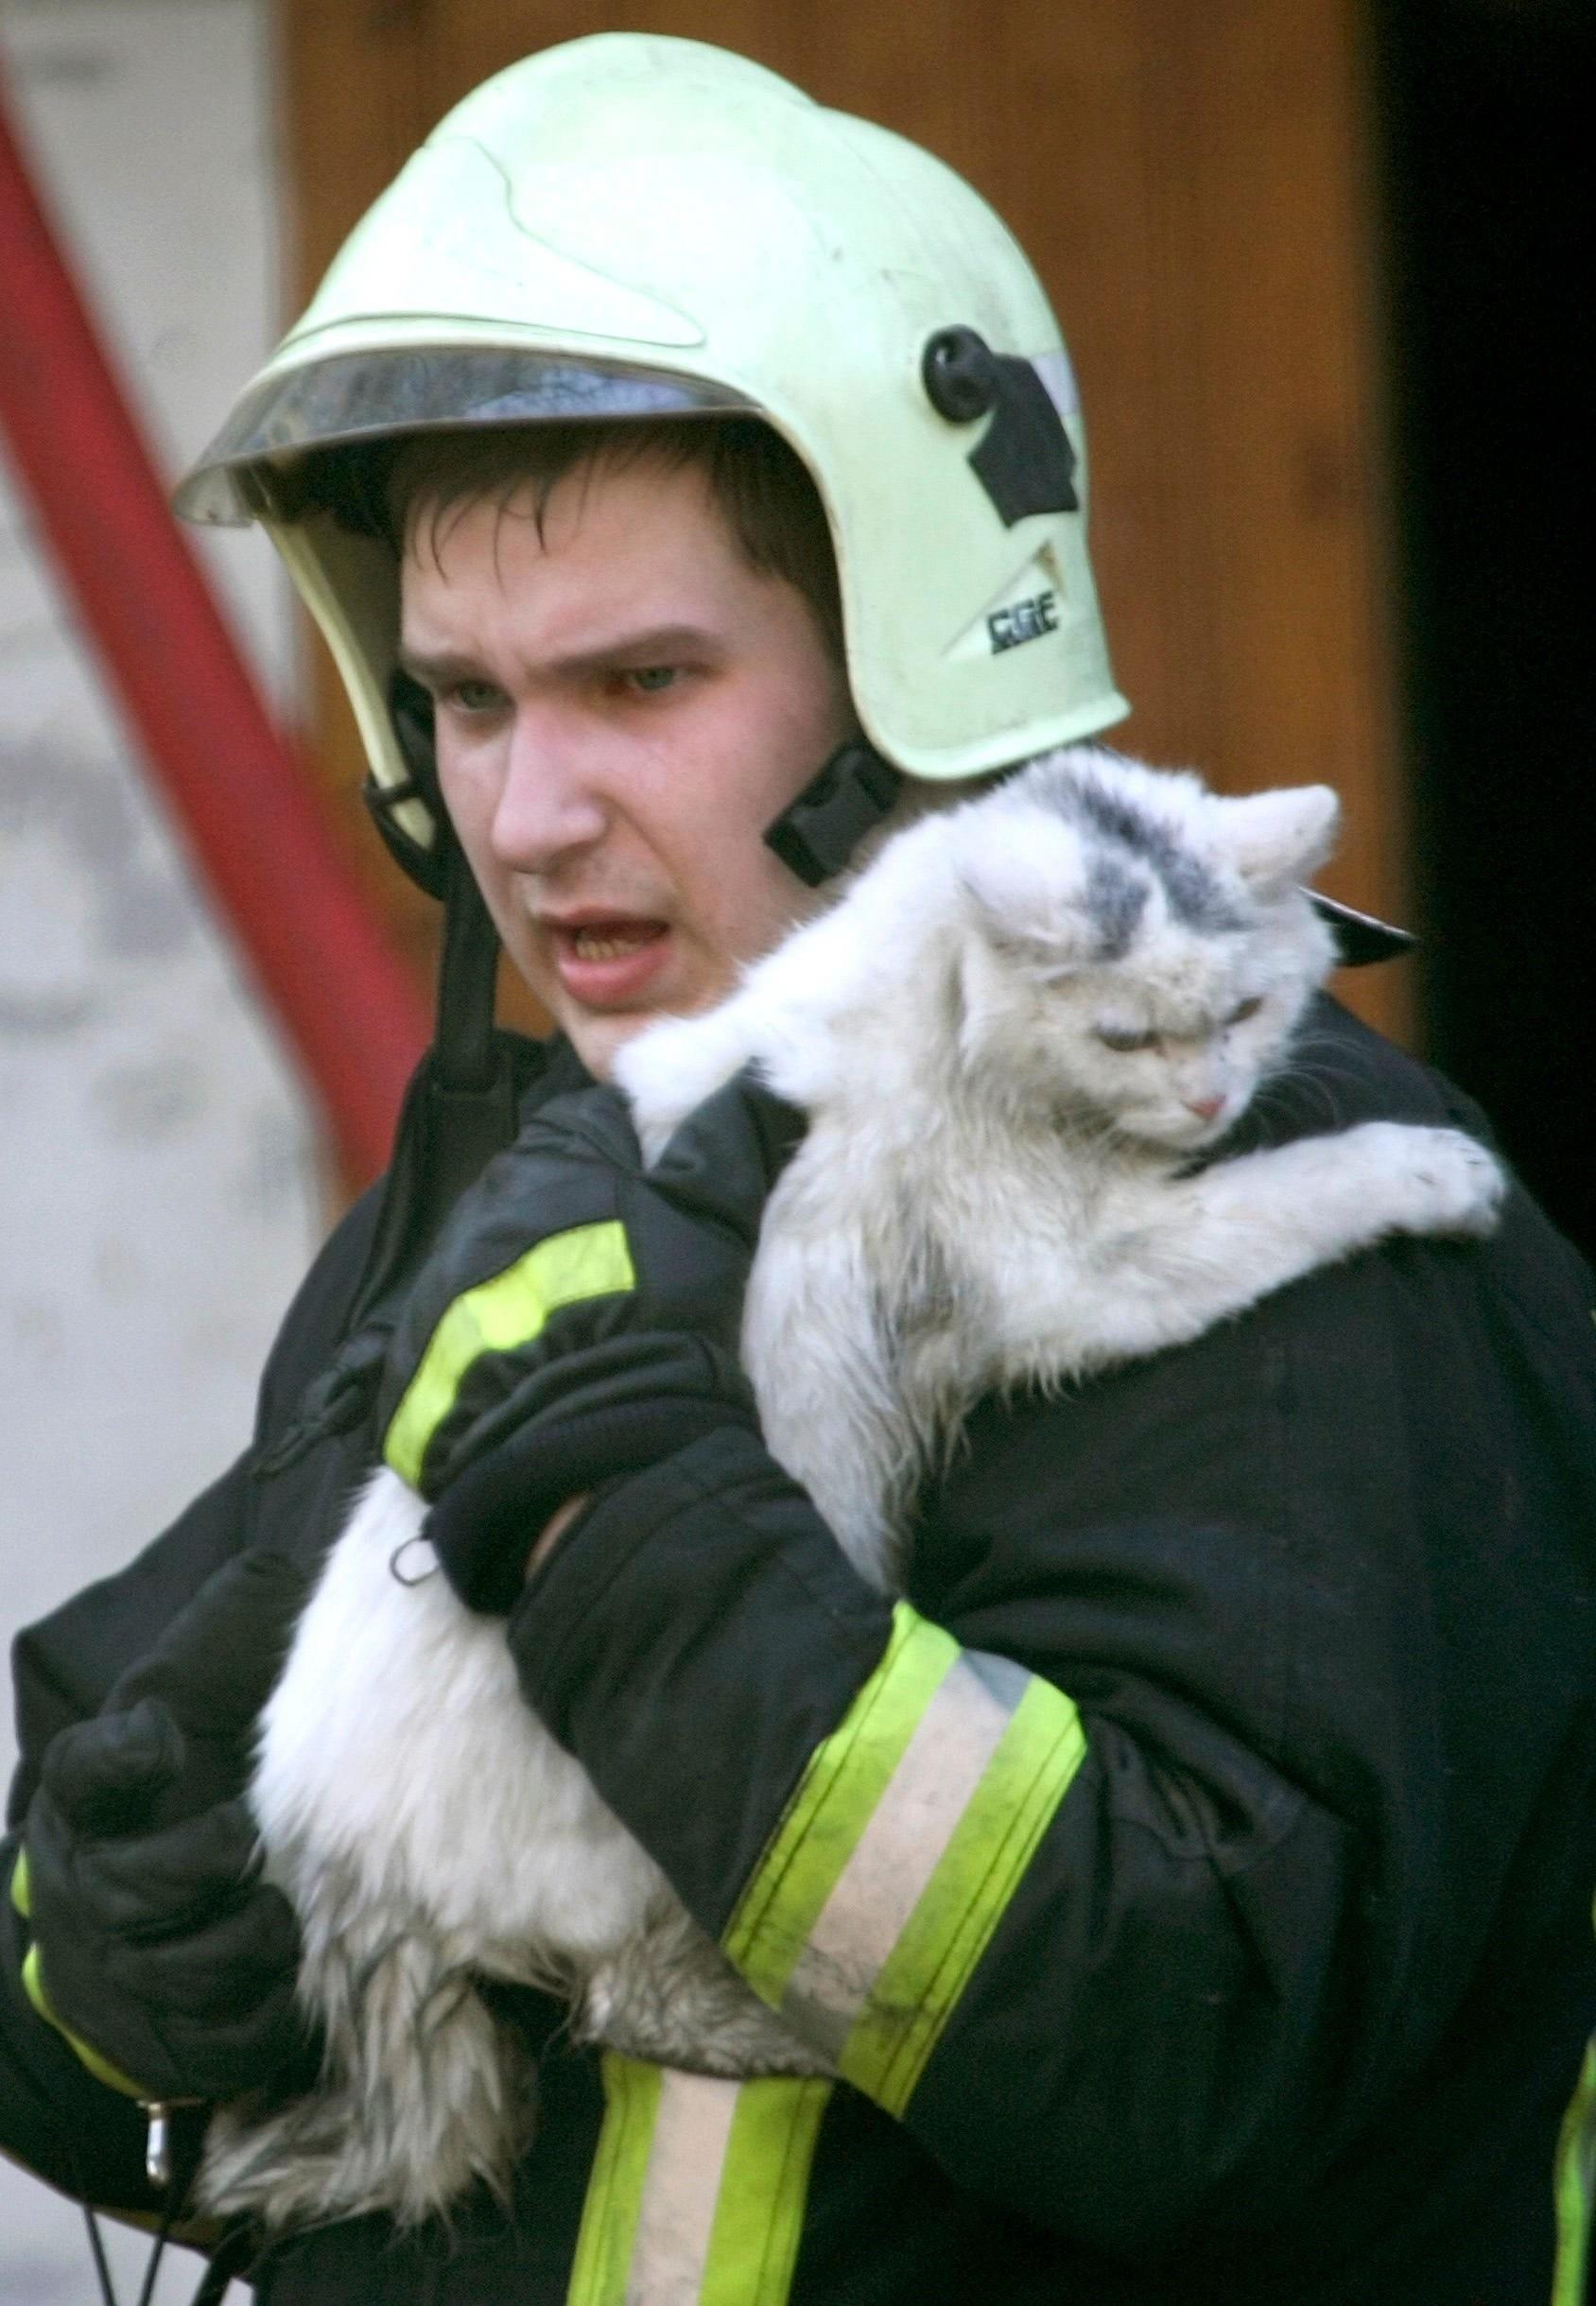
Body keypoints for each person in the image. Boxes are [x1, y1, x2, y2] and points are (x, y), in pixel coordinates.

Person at [3, 33, 1593, 2305]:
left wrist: (634, 1544)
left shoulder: (1289, 1228)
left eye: (638, 682)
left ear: (916, 671)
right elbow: (102, 1957)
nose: (525, 814)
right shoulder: (513, 1209)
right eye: (463, 700)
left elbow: (1192, 2046)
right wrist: (104, 1971)